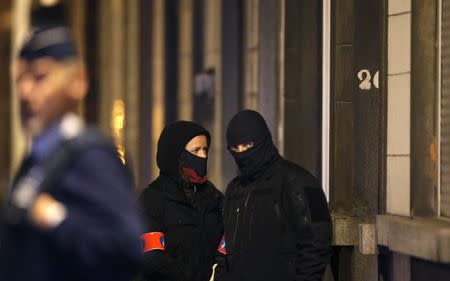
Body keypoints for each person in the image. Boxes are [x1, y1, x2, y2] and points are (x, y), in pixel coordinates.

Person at [0, 20, 142, 281]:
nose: (25, 92)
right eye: (20, 79)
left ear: (77, 82)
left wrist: (56, 219)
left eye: (40, 77)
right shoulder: (37, 160)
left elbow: (126, 247)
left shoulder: (89, 155)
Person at [214, 110, 332, 281]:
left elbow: (317, 244)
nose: (242, 153)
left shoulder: (300, 181)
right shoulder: (235, 190)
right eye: (235, 148)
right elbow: (226, 249)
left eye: (248, 145)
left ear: (263, 140)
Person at [138, 121, 224, 281]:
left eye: (205, 150)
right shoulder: (152, 200)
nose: (203, 156)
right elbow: (152, 257)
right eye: (195, 150)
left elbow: (226, 246)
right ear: (176, 155)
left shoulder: (214, 198)